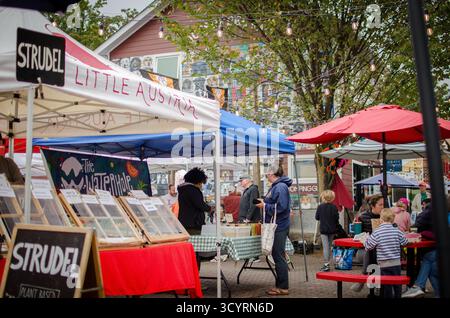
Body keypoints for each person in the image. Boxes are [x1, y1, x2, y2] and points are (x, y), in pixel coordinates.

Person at [255, 165, 292, 296]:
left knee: (278, 255)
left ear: (272, 174)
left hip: (279, 225)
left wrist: (265, 205)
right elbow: (277, 204)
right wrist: (264, 202)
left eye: (267, 174)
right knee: (278, 255)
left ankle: (283, 287)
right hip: (278, 224)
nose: (266, 177)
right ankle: (280, 285)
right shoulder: (278, 186)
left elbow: (281, 207)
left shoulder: (280, 187)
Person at [363, 208, 408, 298]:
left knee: (386, 285)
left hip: (383, 264)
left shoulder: (377, 232)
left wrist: (365, 240)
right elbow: (405, 242)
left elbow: (368, 246)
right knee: (397, 283)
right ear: (392, 219)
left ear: (381, 219)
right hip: (396, 263)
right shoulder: (397, 231)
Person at [402, 197, 442, 298]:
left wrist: (423, 232)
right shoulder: (441, 212)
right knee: (431, 268)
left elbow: (417, 224)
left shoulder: (431, 211)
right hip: (440, 249)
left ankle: (418, 286)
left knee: (429, 258)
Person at [351, 194, 384, 292]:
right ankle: (375, 288)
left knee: (375, 253)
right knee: (371, 251)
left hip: (382, 249)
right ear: (373, 206)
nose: (383, 207)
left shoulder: (386, 216)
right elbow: (356, 235)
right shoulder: (363, 217)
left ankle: (363, 279)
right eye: (380, 205)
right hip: (364, 249)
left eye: (383, 204)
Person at [177, 167, 212, 235]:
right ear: (197, 181)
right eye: (201, 183)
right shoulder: (193, 191)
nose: (201, 185)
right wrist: (209, 208)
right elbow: (200, 204)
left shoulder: (183, 190)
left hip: (183, 223)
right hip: (193, 224)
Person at [315, 190, 339, 272]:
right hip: (332, 230)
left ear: (323, 197)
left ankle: (326, 264)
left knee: (325, 247)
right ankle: (329, 262)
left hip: (323, 230)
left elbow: (317, 218)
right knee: (329, 247)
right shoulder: (334, 207)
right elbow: (336, 218)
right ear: (332, 198)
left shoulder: (320, 207)